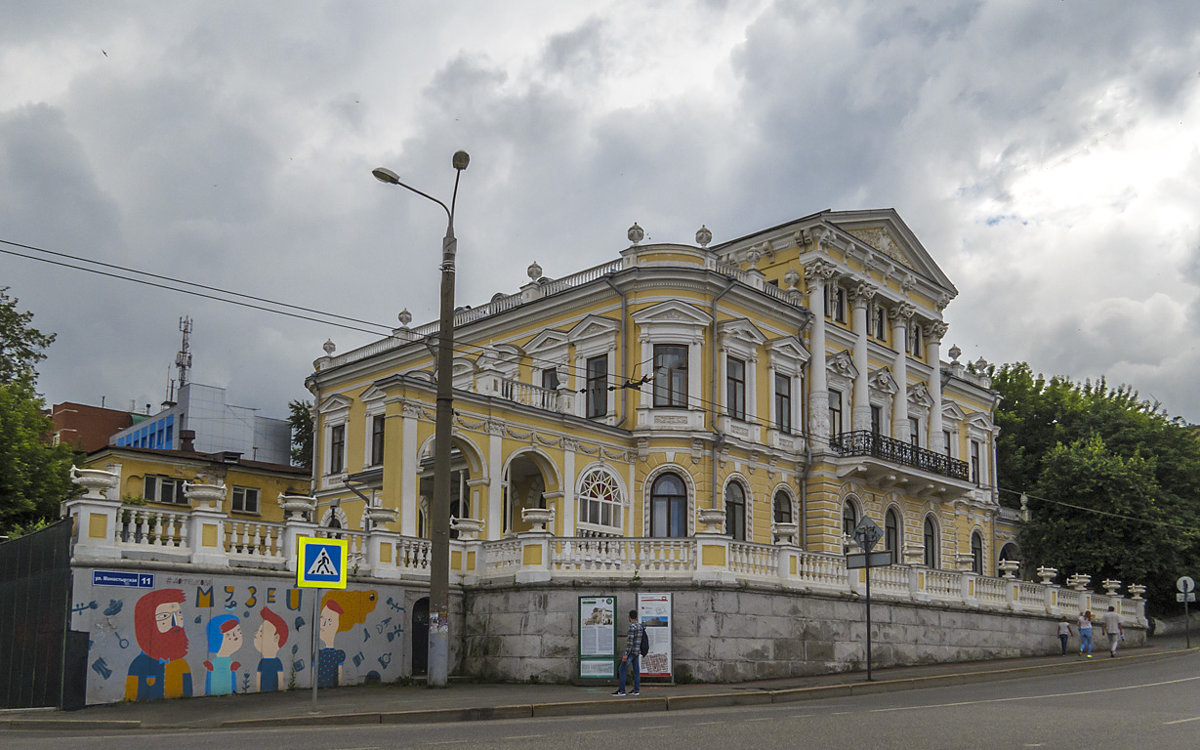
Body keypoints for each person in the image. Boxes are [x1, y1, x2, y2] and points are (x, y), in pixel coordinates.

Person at [612, 609, 645, 697]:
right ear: (636, 617)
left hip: (631, 652)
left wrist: (626, 654)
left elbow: (630, 643)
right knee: (636, 671)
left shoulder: (632, 627)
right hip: (637, 652)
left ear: (629, 617)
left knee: (622, 669)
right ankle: (636, 690)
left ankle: (622, 691)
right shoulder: (640, 626)